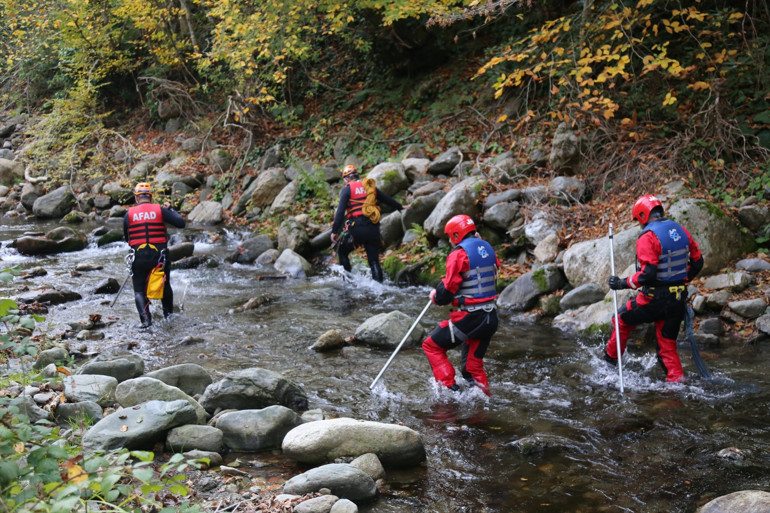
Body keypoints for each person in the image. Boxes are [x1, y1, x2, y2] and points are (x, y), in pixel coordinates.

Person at [604, 194, 704, 382]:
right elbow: (698, 262)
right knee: (667, 347)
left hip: (653, 300)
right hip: (677, 300)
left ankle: (609, 364)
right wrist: (680, 280)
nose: (639, 225)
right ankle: (677, 385)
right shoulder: (680, 230)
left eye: (638, 220)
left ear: (643, 216)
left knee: (620, 320)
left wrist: (622, 283)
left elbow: (647, 274)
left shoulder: (648, 237)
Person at [422, 214, 500, 395]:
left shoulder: (458, 254)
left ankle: (450, 391)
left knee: (431, 345)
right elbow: (482, 274)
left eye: (450, 236)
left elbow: (446, 293)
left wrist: (436, 296)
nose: (450, 240)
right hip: (490, 317)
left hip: (471, 318)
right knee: (472, 368)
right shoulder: (487, 248)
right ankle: (484, 400)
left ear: (456, 235)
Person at [123, 182, 186, 329]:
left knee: (139, 290)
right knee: (165, 284)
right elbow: (181, 223)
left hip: (138, 256)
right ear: (150, 197)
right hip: (160, 257)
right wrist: (171, 209)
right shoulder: (160, 210)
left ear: (136, 198)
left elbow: (127, 238)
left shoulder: (129, 214)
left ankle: (146, 321)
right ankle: (169, 316)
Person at [330, 164, 405, 283]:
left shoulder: (347, 189)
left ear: (347, 178)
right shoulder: (369, 187)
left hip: (357, 229)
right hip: (372, 228)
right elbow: (386, 199)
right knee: (374, 260)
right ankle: (379, 287)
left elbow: (340, 212)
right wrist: (400, 207)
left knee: (342, 252)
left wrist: (334, 231)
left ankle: (348, 282)